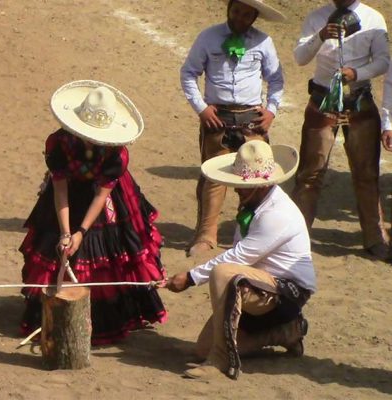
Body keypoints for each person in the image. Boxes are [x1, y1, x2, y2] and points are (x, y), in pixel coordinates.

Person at [19, 80, 167, 345]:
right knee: (58, 249)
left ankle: (99, 319)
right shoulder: (59, 144)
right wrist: (66, 232)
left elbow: (101, 195)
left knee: (104, 254)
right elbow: (60, 189)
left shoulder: (116, 155)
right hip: (67, 194)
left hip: (107, 200)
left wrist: (81, 232)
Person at [163, 140, 317, 380]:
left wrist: (191, 278)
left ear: (263, 185)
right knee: (202, 349)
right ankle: (286, 332)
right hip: (259, 285)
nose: (237, 190)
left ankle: (222, 359)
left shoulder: (276, 214)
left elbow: (238, 256)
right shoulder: (256, 205)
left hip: (286, 292)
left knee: (224, 273)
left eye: (243, 186)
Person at [180, 0, 285, 257]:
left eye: (247, 14)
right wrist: (201, 108)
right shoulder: (208, 37)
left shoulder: (263, 42)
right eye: (236, 11)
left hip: (252, 117)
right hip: (218, 116)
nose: (239, 17)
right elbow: (188, 73)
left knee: (255, 177)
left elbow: (276, 78)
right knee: (214, 176)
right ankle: (206, 234)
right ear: (229, 8)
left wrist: (271, 110)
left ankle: (250, 232)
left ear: (255, 16)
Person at [292, 0, 391, 259]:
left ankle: (374, 237)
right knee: (310, 173)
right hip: (323, 100)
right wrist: (320, 36)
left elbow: (382, 61)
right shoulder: (317, 18)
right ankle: (296, 238)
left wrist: (356, 73)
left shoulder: (373, 18)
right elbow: (300, 58)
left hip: (358, 100)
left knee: (367, 173)